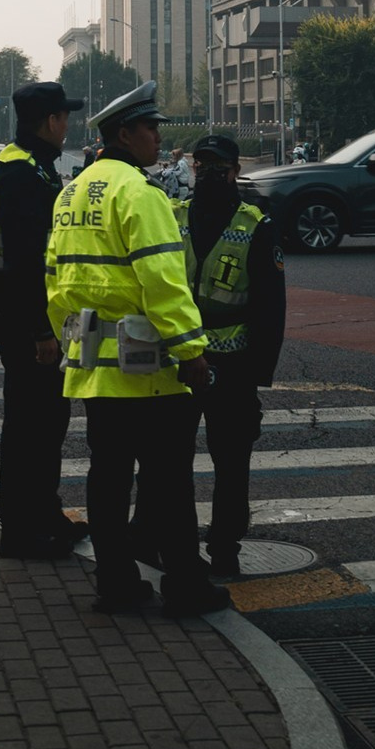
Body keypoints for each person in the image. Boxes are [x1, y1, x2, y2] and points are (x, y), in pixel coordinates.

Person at [46, 81, 228, 617]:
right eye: (150, 128)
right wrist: (192, 350)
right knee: (169, 482)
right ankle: (187, 586)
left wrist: (67, 339)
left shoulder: (71, 192)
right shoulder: (138, 194)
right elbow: (163, 283)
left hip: (94, 367)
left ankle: (117, 583)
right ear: (124, 134)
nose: (157, 138)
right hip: (147, 367)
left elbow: (54, 278)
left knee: (106, 479)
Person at [135, 132, 285, 578]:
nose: (210, 174)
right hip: (178, 360)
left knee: (232, 462)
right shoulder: (172, 216)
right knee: (165, 460)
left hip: (233, 366)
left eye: (219, 167)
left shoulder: (256, 225)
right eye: (202, 167)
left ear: (235, 172)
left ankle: (224, 548)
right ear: (193, 170)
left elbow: (270, 308)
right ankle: (154, 540)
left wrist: (260, 373)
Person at [0, 80, 89, 558]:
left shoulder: (27, 164)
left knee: (45, 419)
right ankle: (21, 532)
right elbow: (24, 263)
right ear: (51, 121)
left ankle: (44, 514)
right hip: (21, 315)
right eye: (65, 116)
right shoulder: (22, 173)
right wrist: (41, 331)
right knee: (29, 424)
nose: (69, 124)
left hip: (18, 309)